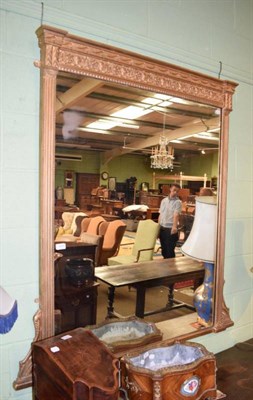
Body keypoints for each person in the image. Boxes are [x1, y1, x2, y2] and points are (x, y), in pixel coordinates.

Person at [158, 183, 182, 258]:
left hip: (171, 229)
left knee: (170, 250)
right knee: (164, 248)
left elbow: (176, 215)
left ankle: (171, 267)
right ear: (170, 189)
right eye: (174, 190)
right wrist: (158, 227)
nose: (175, 192)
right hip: (162, 227)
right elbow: (160, 214)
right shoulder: (163, 201)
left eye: (177, 191)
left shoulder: (178, 202)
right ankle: (165, 266)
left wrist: (174, 227)